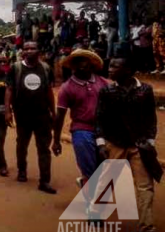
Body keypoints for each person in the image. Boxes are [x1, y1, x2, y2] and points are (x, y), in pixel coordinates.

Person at [96, 54, 160, 232]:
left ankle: (146, 225)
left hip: (139, 145)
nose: (110, 69)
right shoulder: (106, 91)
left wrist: (150, 143)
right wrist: (101, 143)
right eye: (110, 66)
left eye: (115, 67)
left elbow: (151, 119)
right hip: (115, 143)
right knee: (106, 181)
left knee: (145, 185)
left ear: (128, 70)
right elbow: (100, 118)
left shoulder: (145, 90)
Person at [52, 49, 108, 196]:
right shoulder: (67, 88)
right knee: (89, 171)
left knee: (104, 169)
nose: (82, 65)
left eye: (85, 62)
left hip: (105, 130)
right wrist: (56, 140)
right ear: (73, 66)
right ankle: (93, 212)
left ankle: (86, 184)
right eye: (78, 62)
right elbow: (60, 116)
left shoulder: (103, 83)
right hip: (82, 130)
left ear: (91, 64)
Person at [5, 41, 57, 194]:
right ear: (22, 52)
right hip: (22, 114)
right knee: (22, 144)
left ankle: (45, 181)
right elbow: (9, 90)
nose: (29, 51)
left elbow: (49, 91)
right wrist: (7, 111)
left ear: (38, 51)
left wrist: (53, 112)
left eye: (32, 48)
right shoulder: (16, 68)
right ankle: (22, 171)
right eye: (26, 48)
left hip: (42, 114)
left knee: (44, 148)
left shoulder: (46, 68)